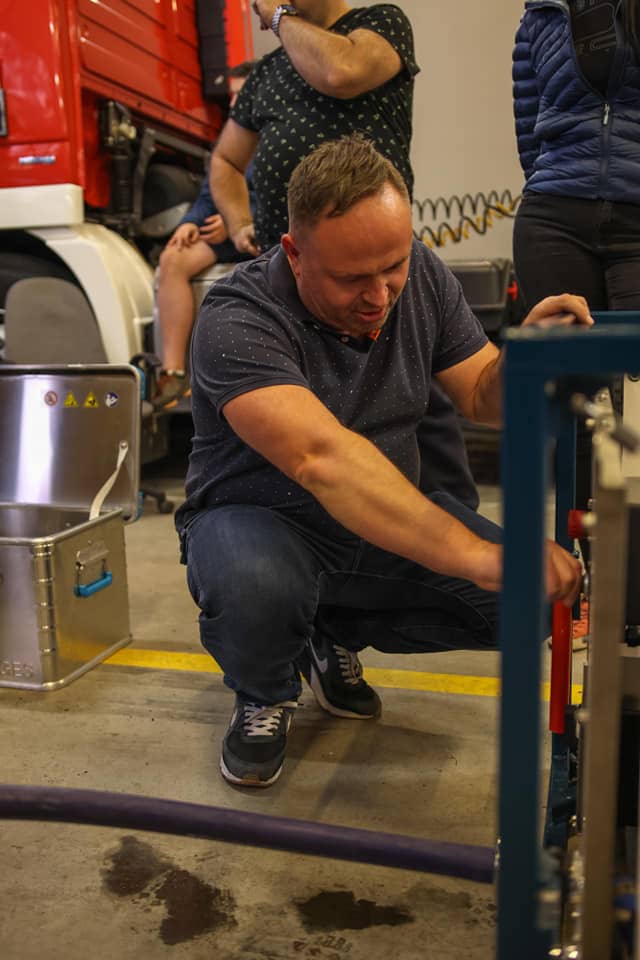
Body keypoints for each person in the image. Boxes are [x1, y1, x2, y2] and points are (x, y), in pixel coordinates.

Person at [176, 135, 586, 789]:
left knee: (526, 605)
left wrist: (524, 357)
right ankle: (265, 690)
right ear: (294, 254)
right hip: (260, 520)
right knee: (257, 587)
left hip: (374, 520)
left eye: (393, 265)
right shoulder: (237, 318)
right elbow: (321, 459)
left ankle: (329, 631)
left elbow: (482, 397)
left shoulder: (421, 276)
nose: (379, 294)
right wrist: (476, 554)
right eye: (350, 279)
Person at [209, 0, 480, 510]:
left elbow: (341, 71)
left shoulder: (378, 25)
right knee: (314, 445)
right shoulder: (267, 72)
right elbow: (225, 159)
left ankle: (451, 531)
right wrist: (240, 221)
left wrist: (277, 17)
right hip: (296, 283)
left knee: (412, 414)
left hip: (367, 269)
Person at [512, 0, 640, 554]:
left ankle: (631, 573)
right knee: (576, 404)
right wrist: (558, 182)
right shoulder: (540, 15)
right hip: (553, 217)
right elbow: (528, 128)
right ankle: (581, 570)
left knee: (637, 405)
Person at [153, 62, 256, 407]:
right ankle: (173, 373)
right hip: (221, 235)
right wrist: (190, 223)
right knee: (172, 259)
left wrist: (238, 221)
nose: (234, 103)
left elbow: (283, 199)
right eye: (232, 96)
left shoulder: (278, 137)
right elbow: (208, 196)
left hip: (262, 233)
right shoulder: (228, 142)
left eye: (241, 94)